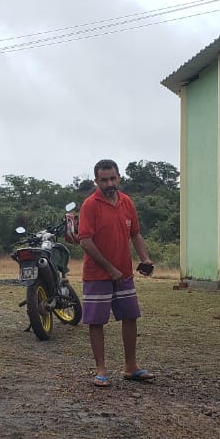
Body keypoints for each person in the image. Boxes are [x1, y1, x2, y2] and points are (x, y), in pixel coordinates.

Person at [78, 159, 155, 387]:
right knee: (96, 321)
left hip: (124, 274)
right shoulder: (90, 205)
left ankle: (130, 367)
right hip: (97, 274)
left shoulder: (127, 202)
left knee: (130, 316)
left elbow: (136, 234)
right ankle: (101, 369)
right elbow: (85, 241)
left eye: (113, 178)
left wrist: (145, 259)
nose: (109, 183)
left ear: (119, 177)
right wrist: (109, 268)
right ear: (96, 181)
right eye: (104, 180)